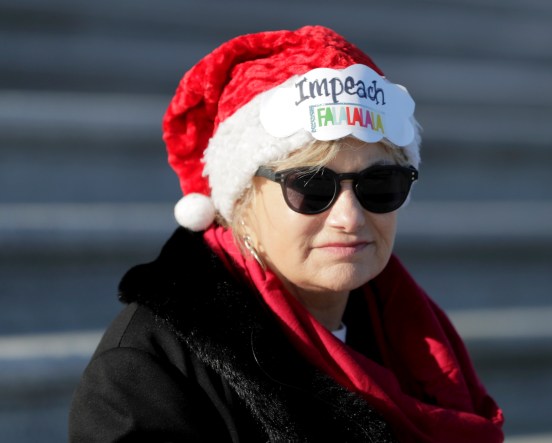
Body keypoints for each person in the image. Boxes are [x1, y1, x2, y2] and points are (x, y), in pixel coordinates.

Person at [69, 25, 504, 442]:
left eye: (380, 185)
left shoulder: (408, 331)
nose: (349, 217)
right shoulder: (149, 368)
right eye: (311, 186)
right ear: (239, 202)